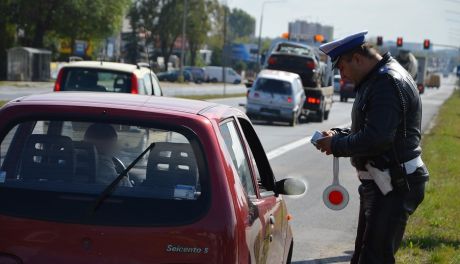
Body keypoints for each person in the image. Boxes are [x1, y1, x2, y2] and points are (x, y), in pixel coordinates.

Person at [315, 31, 429, 264]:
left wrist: (336, 144)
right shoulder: (378, 78)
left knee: (374, 259)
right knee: (364, 256)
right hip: (384, 182)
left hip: (393, 184)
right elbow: (371, 131)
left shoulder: (386, 82)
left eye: (342, 68)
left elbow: (377, 139)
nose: (342, 76)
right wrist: (338, 134)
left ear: (357, 59)